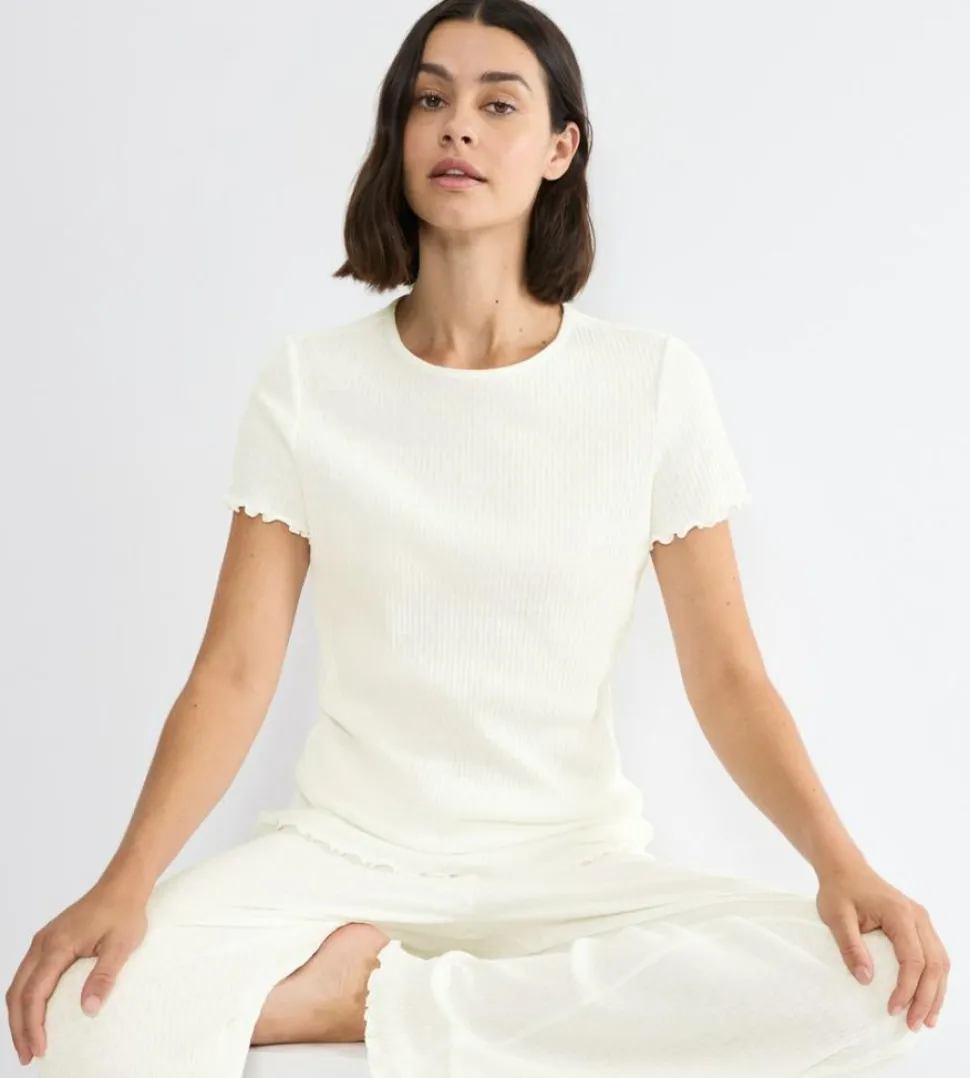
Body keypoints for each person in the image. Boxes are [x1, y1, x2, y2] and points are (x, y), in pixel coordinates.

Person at [6, 1, 949, 1076]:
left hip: (568, 865)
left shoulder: (649, 383)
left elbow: (729, 675)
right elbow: (232, 672)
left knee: (870, 982)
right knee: (82, 1019)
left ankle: (376, 996)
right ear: (399, 133)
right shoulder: (309, 385)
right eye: (430, 98)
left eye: (499, 104)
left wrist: (840, 862)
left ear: (559, 149)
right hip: (343, 854)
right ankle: (478, 1004)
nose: (457, 124)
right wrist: (125, 881)